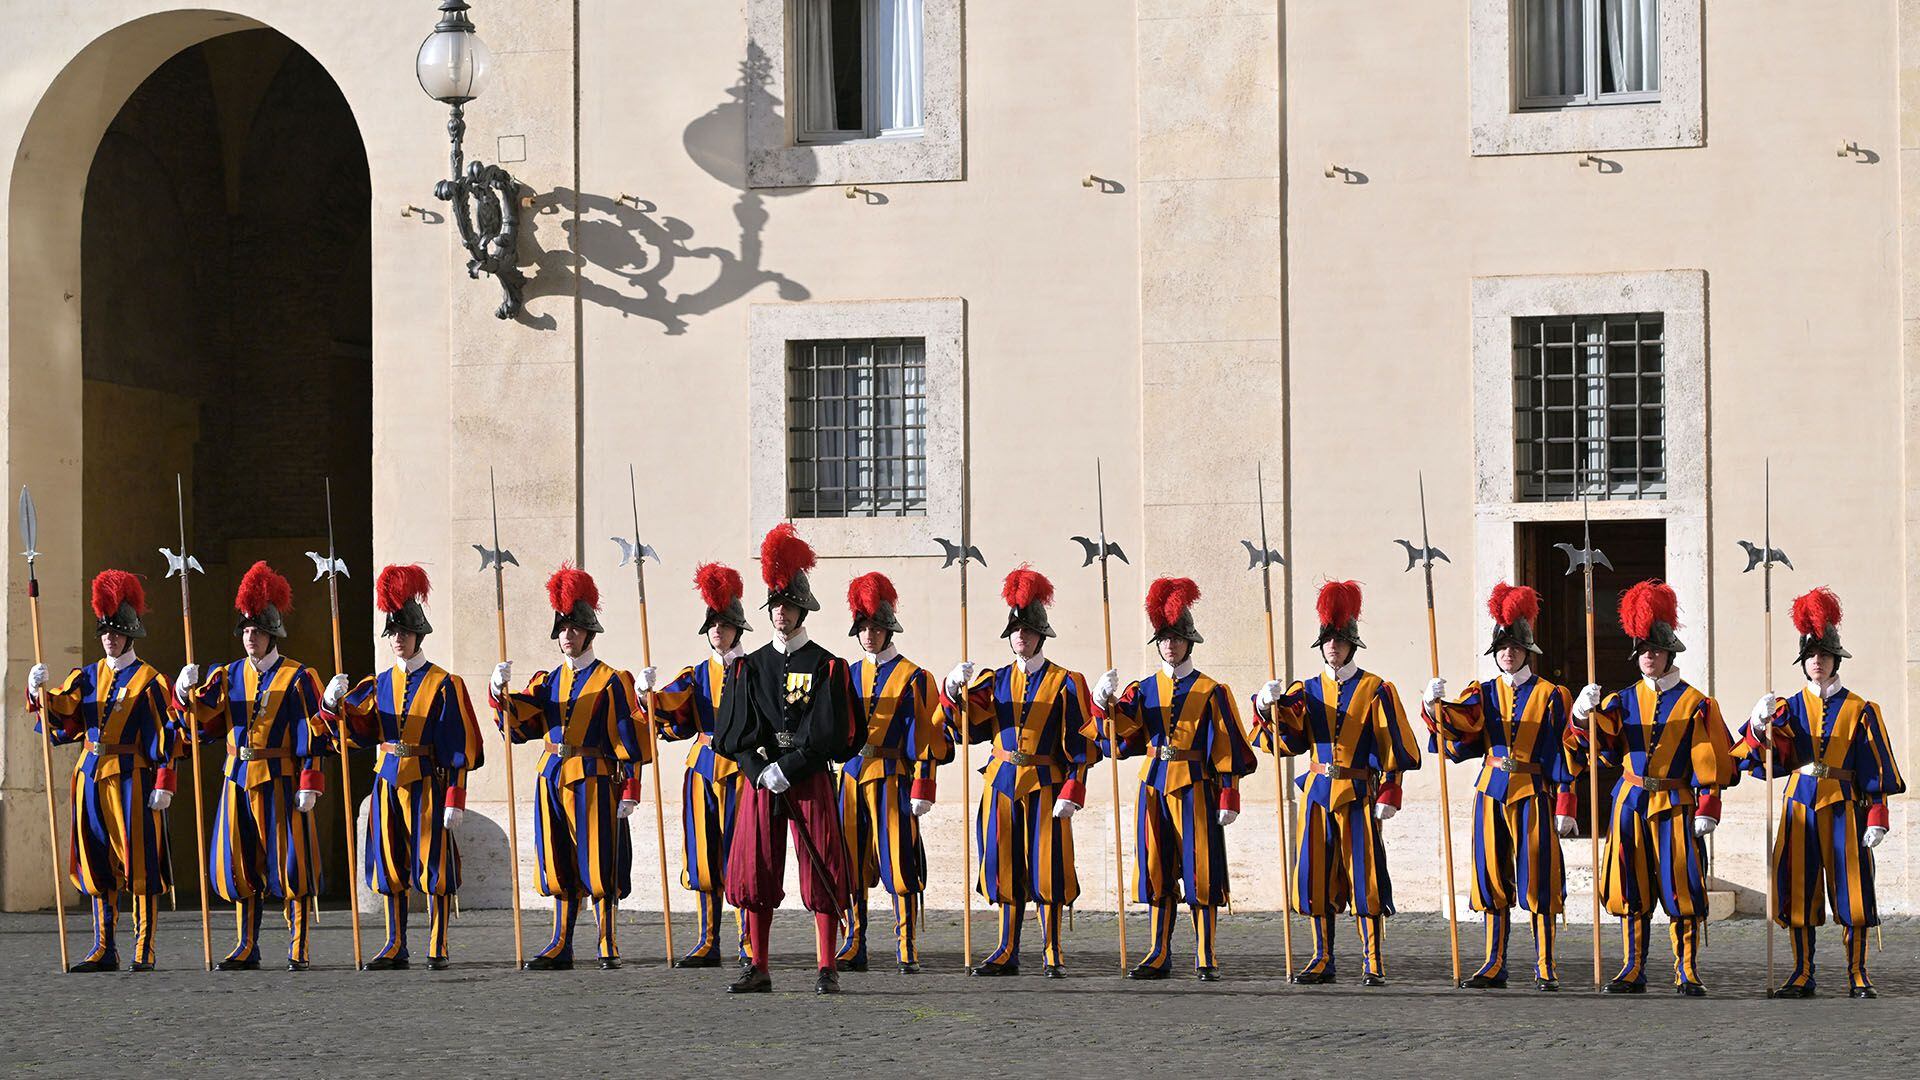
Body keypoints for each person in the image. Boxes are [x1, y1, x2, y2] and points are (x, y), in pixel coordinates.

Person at [1568, 579, 1736, 996]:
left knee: (1682, 884)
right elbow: (1598, 747)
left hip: (1676, 801)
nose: (1648, 657)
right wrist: (1582, 713)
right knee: (1629, 885)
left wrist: (1708, 804)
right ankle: (1632, 966)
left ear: (1669, 654)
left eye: (1655, 651)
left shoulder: (1697, 703)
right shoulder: (1620, 700)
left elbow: (1711, 755)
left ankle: (1686, 969)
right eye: (1643, 651)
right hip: (1630, 801)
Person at [1737, 587, 1904, 998]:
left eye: (1824, 656)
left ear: (1835, 660)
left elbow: (1875, 767)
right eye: (1811, 657)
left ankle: (1857, 972)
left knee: (1854, 891)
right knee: (1797, 888)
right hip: (1800, 804)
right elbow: (1764, 757)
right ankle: (1801, 971)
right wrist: (1760, 726)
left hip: (1844, 806)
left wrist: (1877, 817)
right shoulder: (1786, 706)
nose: (1817, 663)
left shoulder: (1861, 709)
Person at [1252, 580, 1420, 986]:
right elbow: (1286, 739)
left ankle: (1373, 959)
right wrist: (1265, 706)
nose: (1333, 647)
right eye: (1328, 640)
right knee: (1315, 874)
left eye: (1339, 640)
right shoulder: (1305, 690)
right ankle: (1322, 956)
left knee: (1365, 875)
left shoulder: (1377, 688)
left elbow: (1393, 741)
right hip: (1317, 792)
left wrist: (1391, 790)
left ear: (1352, 644)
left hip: (1359, 792)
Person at [715, 525, 858, 994]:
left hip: (809, 776)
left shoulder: (827, 664)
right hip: (762, 782)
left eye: (788, 605)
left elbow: (828, 732)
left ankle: (826, 966)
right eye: (775, 605)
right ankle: (758, 965)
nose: (780, 612)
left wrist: (789, 767)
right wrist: (760, 771)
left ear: (802, 610)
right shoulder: (748, 666)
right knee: (755, 867)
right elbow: (736, 735)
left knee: (823, 867)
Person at [1091, 577, 1257, 981]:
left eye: (1176, 637)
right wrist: (1103, 705)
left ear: (1189, 642)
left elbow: (1228, 742)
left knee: (1200, 869)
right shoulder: (1142, 689)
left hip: (1196, 784)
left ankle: (1205, 953)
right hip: (1152, 783)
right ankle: (1158, 951)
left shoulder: (1212, 689)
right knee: (1156, 867)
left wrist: (1229, 793)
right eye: (1164, 638)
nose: (1170, 645)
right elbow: (1118, 740)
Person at [1421, 583, 1583, 990]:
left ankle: (1545, 964)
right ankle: (1494, 962)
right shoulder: (1482, 692)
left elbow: (1564, 748)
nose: (1507, 653)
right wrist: (1432, 706)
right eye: (1502, 647)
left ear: (1527, 650)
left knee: (1539, 877)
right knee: (1490, 875)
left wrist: (1566, 802)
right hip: (1490, 788)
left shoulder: (1552, 694)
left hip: (1533, 790)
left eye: (1514, 646)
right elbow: (1461, 729)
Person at [942, 566, 1099, 980]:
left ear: (1040, 635)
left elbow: (1084, 742)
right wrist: (952, 689)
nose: (1020, 637)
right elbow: (966, 728)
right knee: (1003, 865)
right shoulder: (992, 681)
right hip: (1001, 784)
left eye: (1027, 631)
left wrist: (1073, 788)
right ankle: (1006, 948)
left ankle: (1052, 950)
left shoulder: (1067, 681)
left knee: (1048, 868)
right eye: (1015, 631)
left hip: (1047, 786)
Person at [325, 565, 484, 970]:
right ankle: (395, 943)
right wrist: (334, 707)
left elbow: (460, 746)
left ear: (418, 635)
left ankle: (438, 943)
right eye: (393, 633)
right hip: (387, 779)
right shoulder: (377, 683)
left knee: (435, 864)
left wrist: (456, 798)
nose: (398, 640)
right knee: (389, 860)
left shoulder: (445, 684)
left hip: (429, 781)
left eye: (404, 633)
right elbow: (360, 732)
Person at [174, 561, 331, 971]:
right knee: (240, 862)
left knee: (289, 861)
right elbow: (203, 721)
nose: (249, 638)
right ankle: (247, 944)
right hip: (236, 777)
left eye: (257, 632)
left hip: (280, 779)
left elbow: (313, 730)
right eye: (245, 631)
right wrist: (183, 692)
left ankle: (299, 944)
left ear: (272, 635)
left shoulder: (298, 677)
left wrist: (310, 780)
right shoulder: (226, 675)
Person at [491, 564, 647, 971]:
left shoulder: (612, 680)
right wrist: (498, 692)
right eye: (562, 628)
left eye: (574, 628)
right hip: (551, 775)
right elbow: (520, 724)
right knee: (557, 859)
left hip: (593, 778)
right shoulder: (547, 681)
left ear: (588, 632)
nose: (567, 635)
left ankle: (606, 940)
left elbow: (627, 736)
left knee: (599, 861)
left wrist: (630, 789)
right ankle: (561, 941)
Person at [27, 570, 177, 971]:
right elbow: (64, 709)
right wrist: (37, 690)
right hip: (91, 773)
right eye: (104, 632)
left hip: (132, 776)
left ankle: (143, 948)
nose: (109, 638)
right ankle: (103, 946)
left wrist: (164, 782)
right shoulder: (87, 675)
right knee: (95, 861)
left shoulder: (150, 680)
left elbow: (168, 734)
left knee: (140, 863)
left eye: (116, 631)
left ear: (130, 634)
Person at [639, 562, 753, 970]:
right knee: (703, 856)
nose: (717, 632)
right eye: (712, 626)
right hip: (703, 767)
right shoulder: (697, 673)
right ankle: (708, 939)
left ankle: (748, 940)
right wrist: (646, 695)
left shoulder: (755, 670)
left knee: (742, 857)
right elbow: (673, 710)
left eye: (723, 625)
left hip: (743, 771)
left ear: (737, 628)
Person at [835, 571, 949, 975]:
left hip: (893, 775)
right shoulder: (844, 674)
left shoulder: (915, 676)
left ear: (888, 630)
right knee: (849, 859)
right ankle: (855, 940)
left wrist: (924, 785)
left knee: (900, 861)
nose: (869, 635)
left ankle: (906, 944)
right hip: (849, 775)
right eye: (863, 628)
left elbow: (930, 732)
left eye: (876, 628)